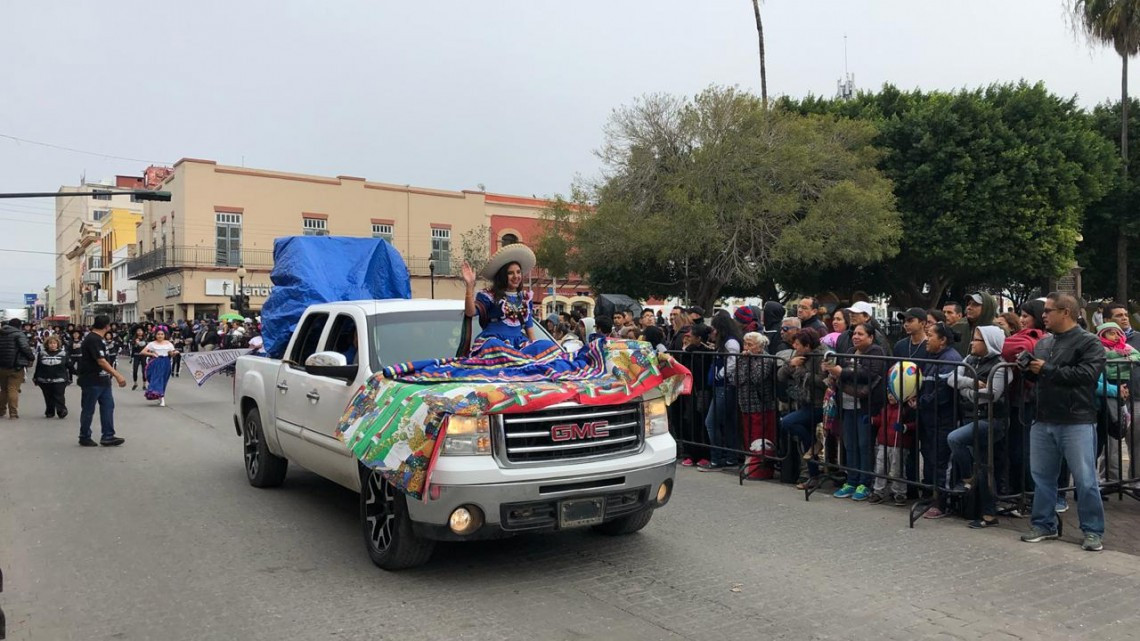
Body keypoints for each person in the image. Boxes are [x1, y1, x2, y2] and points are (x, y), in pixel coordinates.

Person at [1020, 293, 1106, 551]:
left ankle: (1092, 531)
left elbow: (1087, 375)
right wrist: (1028, 369)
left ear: (1066, 312)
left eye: (1048, 310)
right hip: (1043, 418)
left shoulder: (1089, 342)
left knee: (1085, 478)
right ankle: (1044, 524)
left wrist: (1045, 369)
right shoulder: (1044, 343)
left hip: (1076, 419)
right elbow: (1042, 376)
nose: (1043, 315)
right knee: (1043, 477)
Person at [947, 326, 1010, 528]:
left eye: (977, 340)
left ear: (989, 343)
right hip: (970, 416)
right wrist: (974, 382)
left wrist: (965, 391)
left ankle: (968, 477)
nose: (972, 343)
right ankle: (987, 513)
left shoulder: (1000, 366)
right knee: (982, 465)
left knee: (955, 439)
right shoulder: (969, 360)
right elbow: (951, 379)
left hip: (991, 420)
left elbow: (991, 395)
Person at [827, 322, 886, 501]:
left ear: (871, 337)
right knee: (849, 445)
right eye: (854, 334)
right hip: (846, 405)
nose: (856, 337)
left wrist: (841, 372)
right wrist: (833, 373)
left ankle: (865, 482)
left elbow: (867, 375)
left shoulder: (876, 352)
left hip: (865, 407)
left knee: (864, 445)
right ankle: (851, 480)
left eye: (861, 334)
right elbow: (845, 374)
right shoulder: (850, 352)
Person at [913, 321, 964, 518]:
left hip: (944, 419)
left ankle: (943, 502)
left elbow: (942, 393)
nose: (927, 340)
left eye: (930, 335)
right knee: (932, 459)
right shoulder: (932, 356)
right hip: (930, 419)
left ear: (942, 340)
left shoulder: (950, 359)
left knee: (943, 461)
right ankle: (933, 497)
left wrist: (922, 402)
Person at [777, 328, 830, 488]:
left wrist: (802, 372)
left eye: (798, 344)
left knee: (787, 422)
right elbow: (780, 376)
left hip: (820, 404)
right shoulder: (798, 355)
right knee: (804, 437)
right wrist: (790, 365)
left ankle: (815, 446)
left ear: (807, 345)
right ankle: (813, 475)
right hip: (804, 401)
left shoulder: (823, 354)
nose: (794, 347)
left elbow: (824, 381)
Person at [699, 311, 742, 472]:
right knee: (729, 423)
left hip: (725, 385)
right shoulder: (728, 341)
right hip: (724, 385)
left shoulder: (730, 343)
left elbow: (733, 362)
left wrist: (721, 373)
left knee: (711, 422)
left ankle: (717, 458)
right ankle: (730, 457)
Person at [76, 315, 127, 447]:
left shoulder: (99, 339)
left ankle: (108, 435)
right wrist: (117, 375)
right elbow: (101, 361)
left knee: (108, 407)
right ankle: (84, 435)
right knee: (88, 409)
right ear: (107, 327)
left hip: (103, 380)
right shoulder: (93, 339)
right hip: (92, 380)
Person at [0, 318, 36, 419]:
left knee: (3, 389)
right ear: (19, 326)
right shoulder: (19, 334)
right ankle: (13, 413)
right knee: (13, 389)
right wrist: (31, 357)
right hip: (15, 366)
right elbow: (25, 348)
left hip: (1, 366)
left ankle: (1, 410)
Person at [33, 334, 70, 419]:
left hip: (60, 379)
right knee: (48, 396)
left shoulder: (63, 353)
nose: (52, 345)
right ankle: (50, 411)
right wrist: (36, 377)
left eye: (54, 343)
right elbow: (38, 366)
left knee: (59, 395)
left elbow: (69, 365)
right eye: (50, 343)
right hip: (44, 379)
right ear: (47, 344)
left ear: (58, 344)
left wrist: (78, 373)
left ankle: (61, 410)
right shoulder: (42, 353)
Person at [141, 327, 178, 407]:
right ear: (155, 335)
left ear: (165, 335)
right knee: (157, 379)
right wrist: (152, 354)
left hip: (166, 362)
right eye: (158, 334)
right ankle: (161, 398)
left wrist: (175, 353)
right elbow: (143, 352)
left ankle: (160, 395)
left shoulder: (169, 344)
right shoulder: (152, 344)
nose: (160, 336)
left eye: (162, 334)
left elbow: (171, 353)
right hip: (156, 363)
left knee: (164, 380)